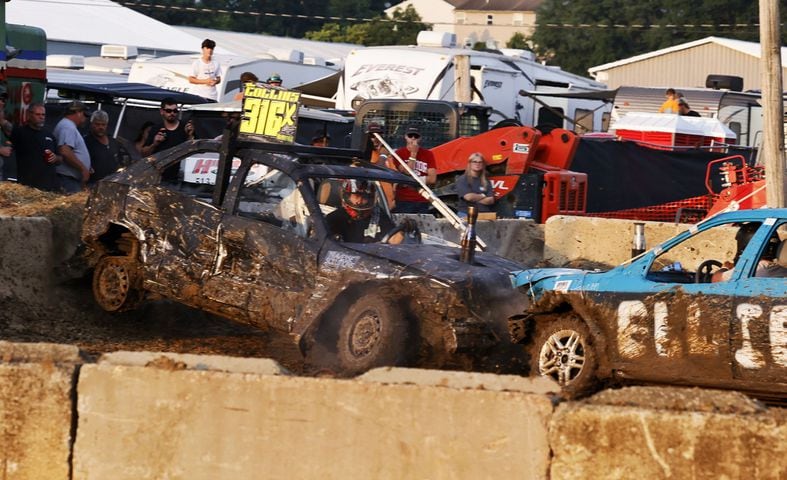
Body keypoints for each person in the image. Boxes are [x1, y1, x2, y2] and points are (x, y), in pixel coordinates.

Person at [325, 179, 402, 243]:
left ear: (371, 198)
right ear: (347, 195)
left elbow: (393, 239)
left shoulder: (378, 215)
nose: (360, 201)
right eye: (356, 196)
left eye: (364, 197)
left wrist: (402, 232)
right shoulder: (335, 218)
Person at [10, 102, 60, 192]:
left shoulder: (49, 135)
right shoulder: (20, 132)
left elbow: (60, 158)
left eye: (43, 115)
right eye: (38, 114)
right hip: (27, 186)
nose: (41, 117)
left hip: (49, 186)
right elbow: (8, 148)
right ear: (29, 115)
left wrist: (55, 158)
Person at [392, 126, 436, 214]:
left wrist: (410, 181)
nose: (413, 138)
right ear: (405, 137)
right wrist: (413, 154)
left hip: (422, 198)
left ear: (420, 138)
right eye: (410, 135)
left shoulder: (428, 154)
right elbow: (407, 171)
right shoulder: (398, 153)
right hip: (404, 199)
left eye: (416, 136)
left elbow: (432, 179)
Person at [54, 100, 92, 194]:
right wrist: (83, 168)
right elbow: (65, 151)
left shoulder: (68, 126)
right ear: (78, 113)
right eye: (85, 114)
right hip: (67, 179)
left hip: (70, 178)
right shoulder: (67, 127)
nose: (86, 118)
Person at [84, 110, 128, 184]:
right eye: (97, 124)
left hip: (112, 183)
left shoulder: (114, 142)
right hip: (93, 183)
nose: (100, 127)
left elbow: (124, 159)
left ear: (107, 125)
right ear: (92, 124)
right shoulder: (86, 142)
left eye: (103, 124)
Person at [455, 152, 496, 217]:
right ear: (470, 164)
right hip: (466, 215)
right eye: (475, 162)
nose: (477, 164)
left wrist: (475, 199)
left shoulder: (486, 181)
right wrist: (483, 195)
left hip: (484, 216)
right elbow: (468, 197)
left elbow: (491, 200)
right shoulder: (463, 179)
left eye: (480, 162)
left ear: (483, 164)